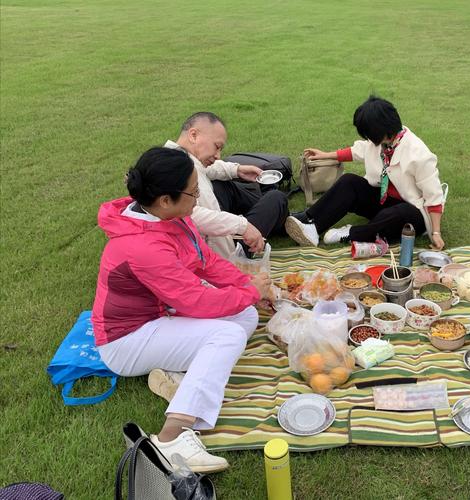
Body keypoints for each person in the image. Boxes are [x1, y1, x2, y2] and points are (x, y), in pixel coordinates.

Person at [93, 147, 272, 473]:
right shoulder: (142, 245)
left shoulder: (170, 217)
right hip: (126, 339)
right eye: (193, 192)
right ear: (164, 199)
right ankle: (170, 436)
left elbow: (207, 263)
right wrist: (249, 290)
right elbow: (197, 301)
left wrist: (249, 291)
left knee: (246, 313)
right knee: (228, 335)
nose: (198, 197)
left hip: (160, 317)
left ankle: (179, 374)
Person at [284, 96, 446, 249]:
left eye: (368, 133)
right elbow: (358, 151)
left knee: (401, 214)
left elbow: (434, 196)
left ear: (381, 130)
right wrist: (326, 155)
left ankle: (351, 233)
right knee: (349, 181)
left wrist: (436, 233)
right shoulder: (383, 140)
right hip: (385, 202)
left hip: (413, 211)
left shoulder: (418, 154)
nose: (367, 138)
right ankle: (310, 224)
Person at [165, 112, 288, 259]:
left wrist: (237, 170)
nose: (218, 155)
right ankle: (291, 219)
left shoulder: (177, 158)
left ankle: (286, 217)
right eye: (217, 147)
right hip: (223, 255)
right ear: (193, 135)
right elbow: (188, 214)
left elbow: (206, 168)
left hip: (219, 243)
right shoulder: (175, 169)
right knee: (276, 198)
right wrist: (243, 225)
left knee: (224, 185)